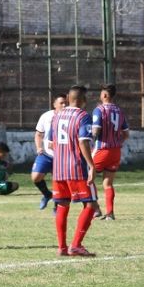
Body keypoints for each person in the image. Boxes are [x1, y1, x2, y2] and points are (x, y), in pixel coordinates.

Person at [47, 85, 97, 257]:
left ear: (68, 99)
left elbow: (51, 143)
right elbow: (83, 141)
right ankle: (76, 245)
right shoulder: (83, 116)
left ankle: (62, 247)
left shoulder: (56, 116)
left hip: (58, 169)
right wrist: (91, 165)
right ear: (84, 100)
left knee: (62, 204)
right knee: (91, 204)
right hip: (76, 168)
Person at [91, 84, 129, 220]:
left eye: (101, 93)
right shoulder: (119, 111)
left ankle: (95, 209)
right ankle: (110, 213)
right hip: (115, 151)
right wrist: (117, 142)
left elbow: (95, 131)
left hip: (102, 150)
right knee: (107, 183)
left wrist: (89, 139)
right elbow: (126, 134)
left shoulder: (99, 110)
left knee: (86, 178)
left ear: (105, 95)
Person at [32, 94, 67, 210]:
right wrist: (39, 147)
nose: (64, 105)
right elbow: (38, 134)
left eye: (66, 103)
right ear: (54, 104)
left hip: (61, 156)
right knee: (35, 177)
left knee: (58, 182)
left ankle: (57, 207)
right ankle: (47, 195)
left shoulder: (69, 117)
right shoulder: (46, 116)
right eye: (61, 103)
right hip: (46, 154)